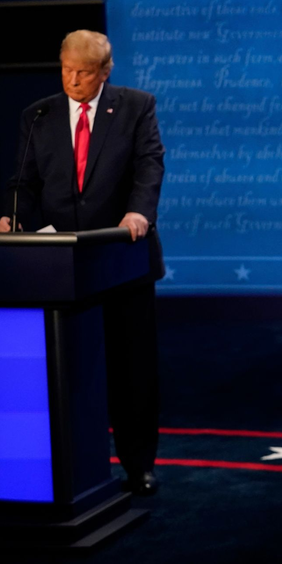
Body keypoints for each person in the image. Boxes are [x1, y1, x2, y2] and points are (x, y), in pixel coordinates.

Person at [1, 30, 165, 496]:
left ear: (105, 71)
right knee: (69, 371)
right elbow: (24, 181)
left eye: (84, 72)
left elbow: (149, 164)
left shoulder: (136, 106)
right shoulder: (38, 114)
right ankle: (73, 467)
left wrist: (139, 212)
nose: (73, 80)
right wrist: (11, 218)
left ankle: (139, 466)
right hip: (59, 268)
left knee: (132, 370)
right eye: (66, 70)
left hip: (121, 260)